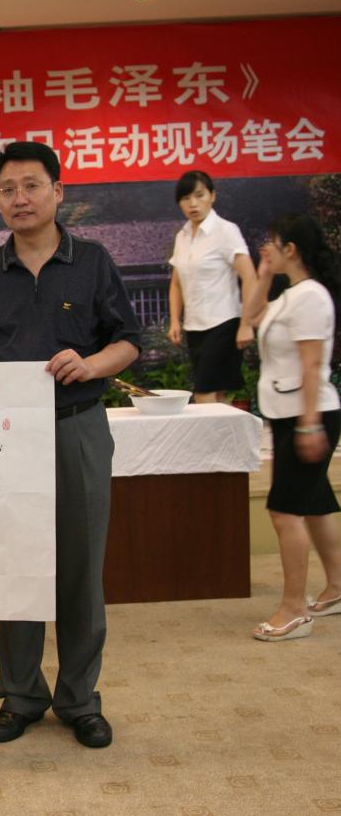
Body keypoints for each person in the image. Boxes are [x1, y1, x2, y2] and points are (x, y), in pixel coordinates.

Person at [0, 141, 140, 749]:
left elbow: (128, 341)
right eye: (7, 189)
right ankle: (20, 696)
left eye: (32, 185)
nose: (20, 198)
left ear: (58, 191)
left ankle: (80, 700)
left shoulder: (93, 261)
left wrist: (91, 364)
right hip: (7, 441)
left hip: (77, 426)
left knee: (81, 570)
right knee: (18, 567)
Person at [242, 213, 341, 641]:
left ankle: (295, 609)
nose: (266, 247)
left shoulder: (311, 297)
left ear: (292, 249)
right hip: (288, 413)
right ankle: (337, 587)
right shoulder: (289, 295)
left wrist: (309, 425)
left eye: (272, 242)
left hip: (308, 415)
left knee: (284, 510)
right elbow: (250, 318)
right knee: (314, 504)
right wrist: (264, 273)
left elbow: (312, 365)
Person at [167, 170, 257, 403]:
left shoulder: (226, 230)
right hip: (194, 326)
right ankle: (226, 430)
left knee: (204, 393)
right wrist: (175, 320)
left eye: (199, 195)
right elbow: (176, 283)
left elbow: (249, 276)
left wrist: (246, 324)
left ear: (212, 196)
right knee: (218, 395)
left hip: (224, 322)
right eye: (186, 198)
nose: (193, 204)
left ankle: (209, 431)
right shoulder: (182, 235)